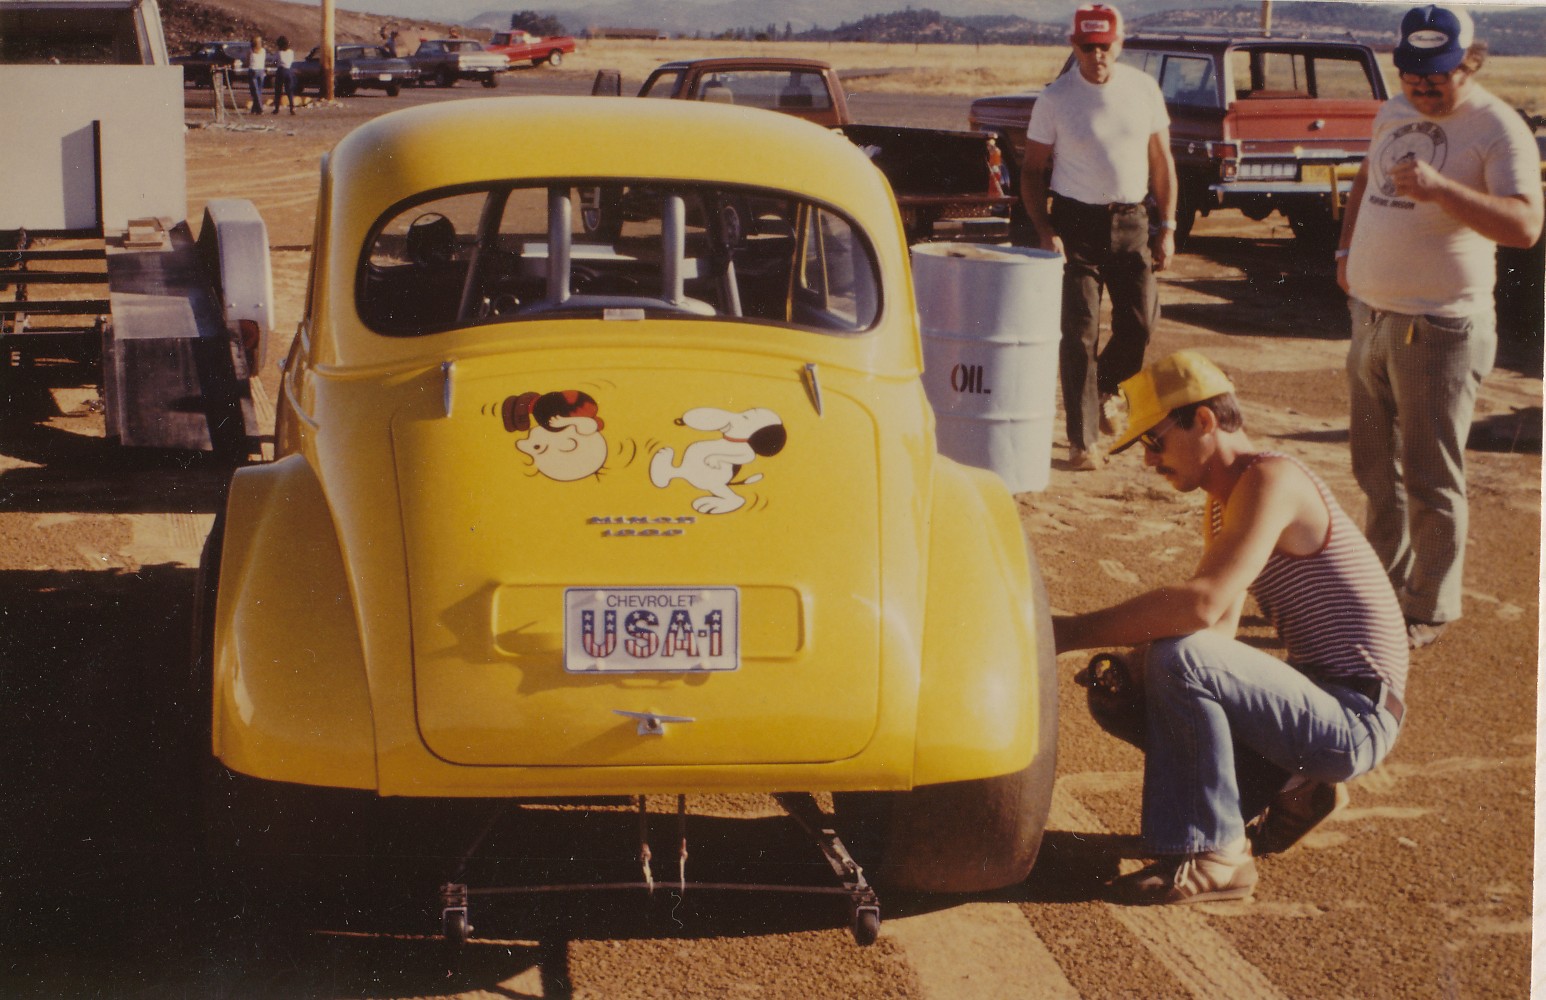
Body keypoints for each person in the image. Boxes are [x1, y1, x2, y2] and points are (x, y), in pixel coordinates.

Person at [1053, 350, 1409, 904]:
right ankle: (1293, 789)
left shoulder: (1272, 478)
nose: (1148, 461)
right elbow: (1217, 630)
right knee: (1137, 680)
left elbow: (1200, 607)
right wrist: (1141, 666)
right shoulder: (1225, 503)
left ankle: (1220, 856)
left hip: (1356, 715)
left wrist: (1068, 632)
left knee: (1177, 658)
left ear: (1203, 421)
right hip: (1320, 702)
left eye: (1154, 441)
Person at [1338, 5, 1542, 650]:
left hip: (1441, 324)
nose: (1422, 88)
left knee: (1429, 473)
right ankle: (1379, 583)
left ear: (1470, 62)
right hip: (1371, 312)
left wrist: (1440, 190)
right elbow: (1366, 183)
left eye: (1438, 76)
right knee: (1374, 467)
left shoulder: (1496, 127)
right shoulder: (1393, 111)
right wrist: (1346, 254)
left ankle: (1428, 606)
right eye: (1412, 74)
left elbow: (1525, 226)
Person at [1020, 3, 1177, 472]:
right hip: (1075, 226)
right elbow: (1031, 171)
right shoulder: (1055, 99)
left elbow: (1162, 162)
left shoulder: (1144, 90)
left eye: (1104, 46)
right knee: (1080, 333)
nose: (1096, 56)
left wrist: (1167, 226)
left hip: (1133, 223)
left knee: (1141, 323)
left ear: (1120, 44)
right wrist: (1046, 230)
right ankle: (1082, 440)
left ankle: (1105, 387)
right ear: (1074, 46)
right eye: (1087, 47)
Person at [270, 35, 296, 115]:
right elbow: (291, 61)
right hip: (289, 70)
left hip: (281, 71)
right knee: (289, 90)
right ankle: (292, 107)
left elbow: (273, 62)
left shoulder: (279, 53)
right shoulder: (291, 52)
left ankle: (277, 108)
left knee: (278, 90)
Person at [246, 35, 267, 115]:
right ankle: (254, 109)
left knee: (255, 91)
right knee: (258, 91)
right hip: (261, 70)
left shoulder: (250, 51)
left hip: (253, 70)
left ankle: (260, 108)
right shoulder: (263, 51)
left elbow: (247, 61)